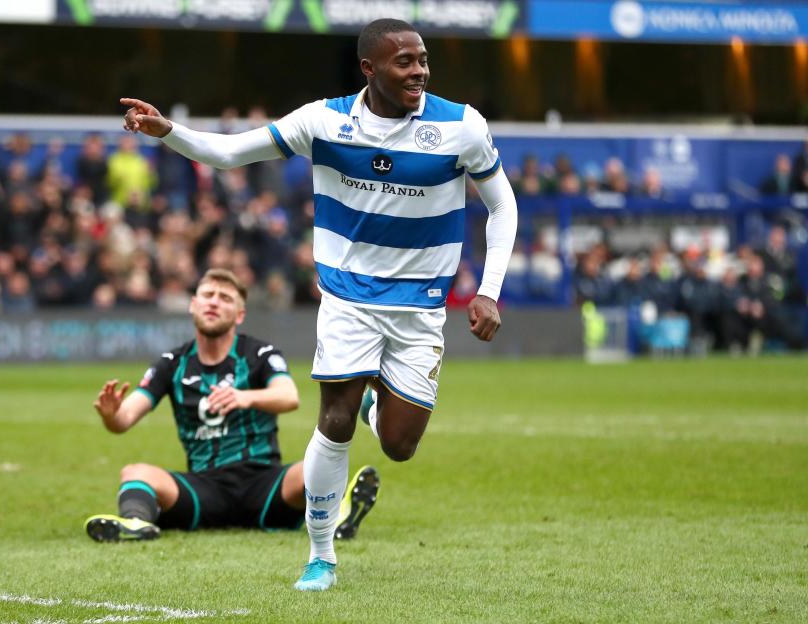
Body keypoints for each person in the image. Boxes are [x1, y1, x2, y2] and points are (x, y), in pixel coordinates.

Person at [119, 18, 517, 591]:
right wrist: (167, 132)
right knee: (333, 421)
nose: (420, 71)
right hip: (348, 297)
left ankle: (372, 405)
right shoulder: (323, 120)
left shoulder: (461, 127)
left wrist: (488, 290)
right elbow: (229, 154)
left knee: (401, 446)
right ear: (369, 69)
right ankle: (321, 554)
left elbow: (503, 207)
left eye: (423, 59)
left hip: (420, 307)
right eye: (404, 62)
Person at [85, 268, 380, 542]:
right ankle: (136, 523)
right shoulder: (171, 364)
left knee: (315, 466)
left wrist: (245, 397)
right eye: (207, 295)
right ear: (193, 304)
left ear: (239, 314)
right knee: (134, 473)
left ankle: (339, 516)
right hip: (203, 488)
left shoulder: (259, 353)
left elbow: (288, 396)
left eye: (225, 298)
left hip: (264, 483)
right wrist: (111, 415)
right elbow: (124, 420)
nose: (214, 303)